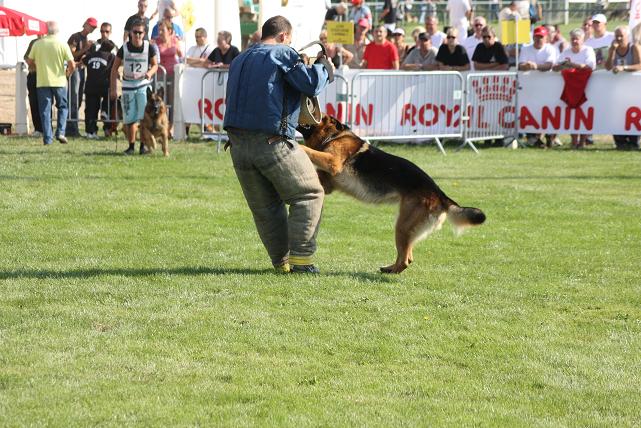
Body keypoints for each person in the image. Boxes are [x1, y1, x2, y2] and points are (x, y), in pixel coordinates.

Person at [223, 15, 333, 274]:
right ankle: (303, 262)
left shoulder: (239, 59)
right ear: (284, 36)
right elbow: (311, 84)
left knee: (266, 207)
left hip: (238, 146)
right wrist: (325, 68)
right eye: (290, 40)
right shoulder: (283, 53)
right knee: (309, 194)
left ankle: (281, 262)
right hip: (271, 142)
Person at [110, 19, 159, 155]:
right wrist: (114, 89)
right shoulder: (123, 48)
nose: (137, 35)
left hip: (143, 86)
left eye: (140, 32)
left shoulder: (149, 47)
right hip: (127, 87)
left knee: (144, 117)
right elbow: (114, 69)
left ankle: (143, 146)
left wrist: (149, 73)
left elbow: (155, 65)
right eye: (135, 32)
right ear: (130, 33)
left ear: (144, 33)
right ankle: (131, 146)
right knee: (130, 118)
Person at [26, 21, 75, 146]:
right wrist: (68, 73)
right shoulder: (62, 44)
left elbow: (29, 60)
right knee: (63, 107)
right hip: (59, 81)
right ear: (57, 31)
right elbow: (72, 63)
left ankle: (48, 139)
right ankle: (60, 132)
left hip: (42, 81)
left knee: (45, 111)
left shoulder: (37, 44)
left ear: (45, 30)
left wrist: (37, 67)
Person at [553, 28, 596, 149]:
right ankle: (574, 141)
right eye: (573, 39)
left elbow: (589, 66)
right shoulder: (566, 52)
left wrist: (571, 65)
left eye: (577, 39)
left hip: (586, 86)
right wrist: (561, 66)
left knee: (584, 112)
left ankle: (582, 142)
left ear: (583, 40)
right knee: (572, 112)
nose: (575, 41)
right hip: (570, 86)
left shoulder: (588, 50)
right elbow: (556, 66)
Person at [518, 26, 559, 148]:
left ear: (546, 38)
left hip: (548, 87)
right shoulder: (526, 49)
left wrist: (535, 66)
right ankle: (534, 138)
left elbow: (549, 65)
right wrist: (528, 66)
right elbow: (520, 65)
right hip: (530, 88)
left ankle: (551, 137)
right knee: (532, 111)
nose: (538, 39)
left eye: (541, 37)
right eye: (536, 36)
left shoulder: (550, 49)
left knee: (549, 111)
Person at [605, 25, 641, 150]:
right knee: (617, 114)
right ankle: (620, 141)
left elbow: (639, 65)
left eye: (622, 36)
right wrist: (612, 52)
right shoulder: (613, 48)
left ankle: (634, 141)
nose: (619, 38)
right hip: (617, 90)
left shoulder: (634, 47)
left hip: (633, 89)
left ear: (627, 37)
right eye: (617, 36)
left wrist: (624, 68)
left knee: (633, 114)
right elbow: (608, 67)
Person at [67, 17, 98, 137]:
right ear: (85, 24)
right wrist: (86, 48)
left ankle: (72, 126)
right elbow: (71, 54)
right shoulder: (75, 37)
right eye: (91, 26)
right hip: (74, 70)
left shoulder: (87, 39)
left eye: (94, 27)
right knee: (73, 98)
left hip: (81, 69)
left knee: (78, 98)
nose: (92, 28)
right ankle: (71, 128)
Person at [154, 20, 182, 136]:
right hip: (160, 73)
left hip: (173, 74)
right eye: (159, 30)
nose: (160, 32)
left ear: (169, 30)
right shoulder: (155, 42)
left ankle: (171, 126)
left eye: (162, 30)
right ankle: (161, 124)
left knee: (172, 100)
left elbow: (181, 56)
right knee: (162, 100)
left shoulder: (176, 40)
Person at [83, 40, 116, 139]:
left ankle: (90, 131)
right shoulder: (111, 56)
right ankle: (104, 111)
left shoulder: (92, 55)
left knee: (90, 109)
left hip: (90, 85)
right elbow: (114, 67)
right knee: (108, 99)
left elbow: (84, 61)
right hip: (104, 84)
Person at [24, 36, 44, 136]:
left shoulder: (50, 42)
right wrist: (33, 64)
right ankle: (38, 129)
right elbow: (26, 57)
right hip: (33, 75)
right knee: (34, 102)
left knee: (45, 103)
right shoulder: (33, 42)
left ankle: (46, 128)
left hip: (45, 76)